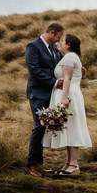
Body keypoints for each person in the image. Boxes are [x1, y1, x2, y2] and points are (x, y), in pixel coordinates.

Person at [42, 34, 92, 176]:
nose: (59, 42)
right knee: (68, 127)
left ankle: (74, 165)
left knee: (72, 127)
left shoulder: (69, 57)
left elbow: (67, 79)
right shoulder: (69, 57)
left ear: (68, 44)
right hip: (69, 92)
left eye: (62, 41)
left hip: (68, 94)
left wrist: (64, 98)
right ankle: (69, 163)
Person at [24, 22, 64, 177]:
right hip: (38, 93)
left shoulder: (54, 49)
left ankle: (39, 164)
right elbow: (34, 70)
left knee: (45, 127)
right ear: (51, 33)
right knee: (39, 126)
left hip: (51, 94)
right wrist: (54, 82)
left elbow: (62, 66)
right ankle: (31, 165)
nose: (59, 40)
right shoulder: (33, 46)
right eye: (58, 37)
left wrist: (78, 69)